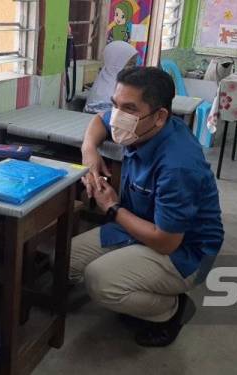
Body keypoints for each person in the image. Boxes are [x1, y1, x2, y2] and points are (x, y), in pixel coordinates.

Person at [72, 67, 224, 347]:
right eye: (116, 105)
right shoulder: (146, 126)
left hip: (183, 251)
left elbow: (165, 242)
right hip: (138, 226)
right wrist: (89, 152)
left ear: (160, 116)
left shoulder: (178, 164)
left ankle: (170, 310)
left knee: (99, 280)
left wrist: (112, 208)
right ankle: (138, 279)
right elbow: (99, 121)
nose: (117, 116)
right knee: (67, 261)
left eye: (129, 109)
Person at [84, 41, 138, 114]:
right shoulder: (106, 92)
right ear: (117, 63)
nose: (134, 68)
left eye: (134, 64)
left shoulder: (106, 81)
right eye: (131, 64)